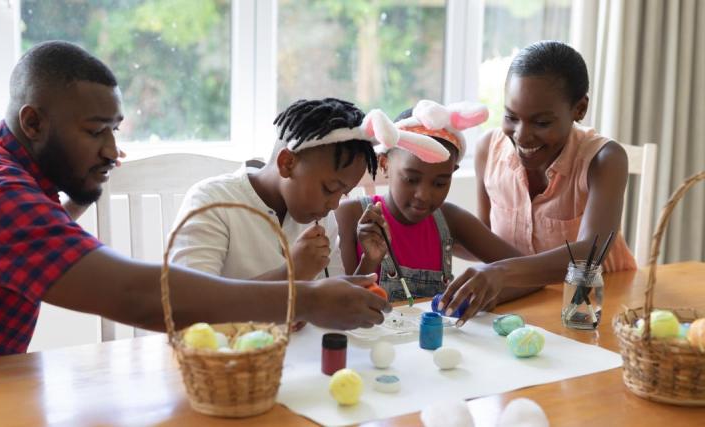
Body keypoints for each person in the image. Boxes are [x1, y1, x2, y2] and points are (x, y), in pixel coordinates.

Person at [0, 41, 388, 368]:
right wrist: (305, 296)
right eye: (95, 131)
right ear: (32, 122)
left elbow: (12, 237)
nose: (113, 151)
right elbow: (136, 297)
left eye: (115, 130)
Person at [439, 41, 637, 323]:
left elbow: (589, 256)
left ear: (579, 108)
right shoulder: (489, 150)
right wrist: (428, 232)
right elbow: (485, 239)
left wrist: (500, 272)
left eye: (542, 123)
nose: (522, 135)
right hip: (529, 307)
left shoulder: (604, 159)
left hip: (598, 311)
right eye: (511, 117)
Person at [170, 98, 379, 282]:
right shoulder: (212, 202)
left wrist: (368, 262)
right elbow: (189, 304)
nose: (334, 204)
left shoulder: (321, 216)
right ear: (287, 163)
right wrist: (290, 274)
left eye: (343, 193)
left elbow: (332, 296)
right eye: (329, 188)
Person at [336, 100, 522, 306]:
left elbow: (526, 272)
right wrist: (370, 260)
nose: (424, 195)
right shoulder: (350, 215)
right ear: (384, 164)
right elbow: (341, 306)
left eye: (440, 183)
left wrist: (477, 298)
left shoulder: (451, 219)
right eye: (411, 179)